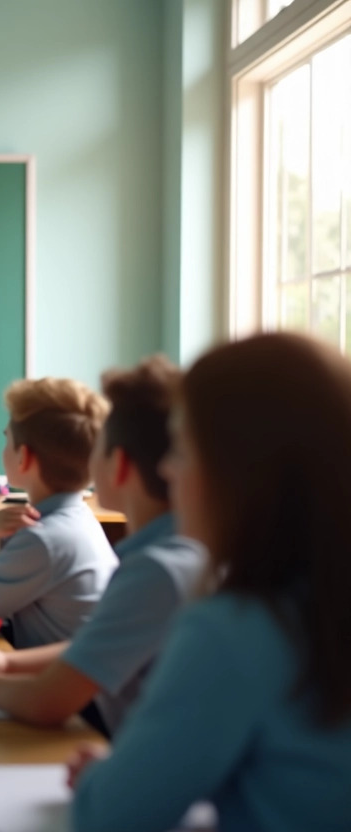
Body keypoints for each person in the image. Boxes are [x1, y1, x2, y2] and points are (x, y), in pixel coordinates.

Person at [70, 333, 351, 832]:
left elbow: (111, 816)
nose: (167, 468)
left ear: (240, 471)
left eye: (181, 447)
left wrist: (103, 777)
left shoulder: (234, 629)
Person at [0, 356, 204, 737]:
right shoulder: (165, 554)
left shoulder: (156, 570)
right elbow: (97, 643)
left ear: (119, 465)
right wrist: (8, 665)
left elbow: (48, 700)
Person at [0, 377, 117, 649]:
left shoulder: (42, 538)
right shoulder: (78, 518)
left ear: (24, 457)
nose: (4, 448)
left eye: (8, 439)